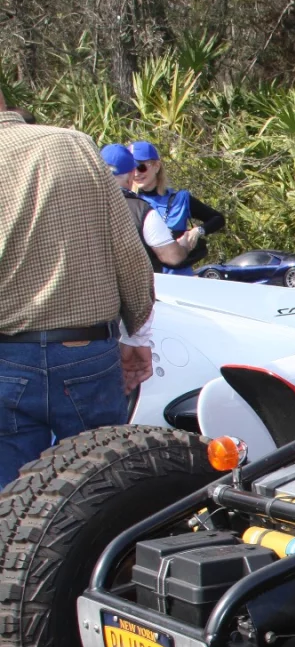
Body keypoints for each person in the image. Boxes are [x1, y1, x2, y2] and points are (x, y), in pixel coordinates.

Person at [0, 93, 156, 484]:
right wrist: (137, 332)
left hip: (4, 357)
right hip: (85, 351)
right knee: (100, 490)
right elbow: (126, 250)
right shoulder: (70, 144)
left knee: (12, 503)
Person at [129, 140, 224, 274]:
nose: (136, 174)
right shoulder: (129, 203)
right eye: (131, 168)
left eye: (141, 167)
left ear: (156, 166)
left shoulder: (180, 199)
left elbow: (218, 218)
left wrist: (197, 231)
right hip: (147, 279)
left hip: (179, 279)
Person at [101, 144, 192, 272]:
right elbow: (173, 257)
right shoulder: (142, 211)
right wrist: (184, 246)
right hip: (133, 288)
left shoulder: (80, 206)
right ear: (131, 174)